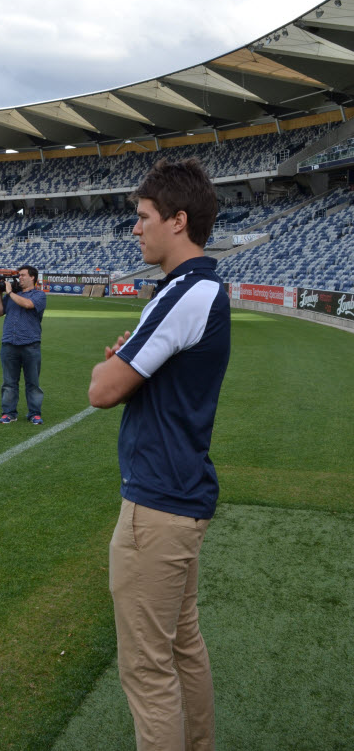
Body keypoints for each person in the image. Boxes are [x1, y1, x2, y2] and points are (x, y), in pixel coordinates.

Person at [88, 158, 230, 751]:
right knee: (182, 646)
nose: (136, 228)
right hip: (181, 496)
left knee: (147, 670)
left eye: (144, 216)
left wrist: (113, 369)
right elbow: (143, 377)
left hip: (158, 503)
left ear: (178, 220)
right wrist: (127, 367)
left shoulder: (187, 290)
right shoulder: (196, 290)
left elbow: (102, 390)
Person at [0, 265, 46, 424]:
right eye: (19, 275)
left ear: (32, 277)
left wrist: (10, 293)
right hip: (9, 343)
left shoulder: (39, 295)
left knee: (33, 382)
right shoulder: (13, 295)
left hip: (30, 344)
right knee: (9, 382)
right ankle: (9, 413)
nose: (20, 278)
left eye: (23, 275)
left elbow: (28, 304)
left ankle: (34, 413)